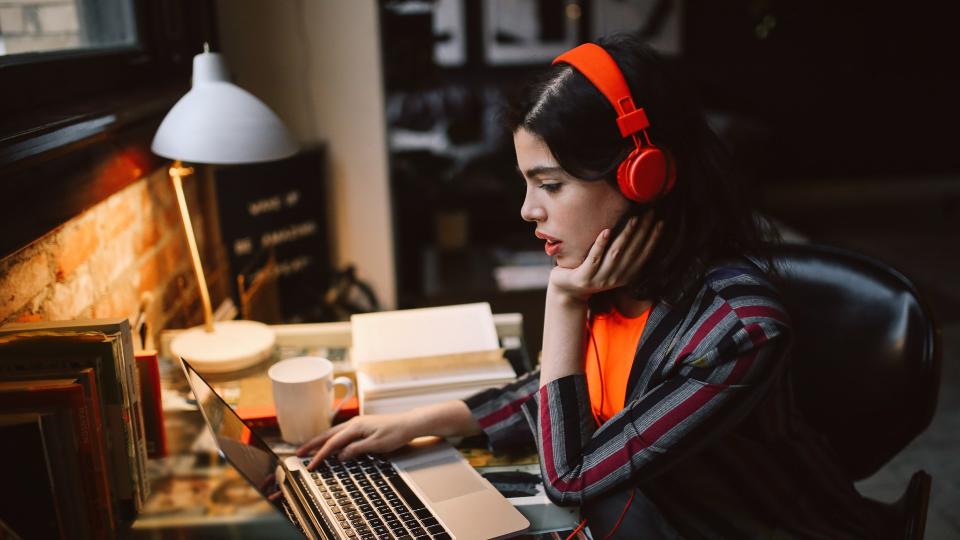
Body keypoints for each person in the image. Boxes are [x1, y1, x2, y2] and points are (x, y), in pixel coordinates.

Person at [297, 33, 895, 538]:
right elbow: (564, 388)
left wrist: (561, 302)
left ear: (643, 175)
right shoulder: (620, 276)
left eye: (551, 185)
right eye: (527, 183)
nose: (528, 211)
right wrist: (417, 422)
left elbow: (572, 475)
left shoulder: (738, 331)